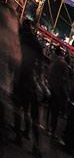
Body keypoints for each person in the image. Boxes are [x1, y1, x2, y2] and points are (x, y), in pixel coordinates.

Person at [12, 18, 44, 157]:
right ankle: (36, 146)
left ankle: (19, 136)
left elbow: (15, 57)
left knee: (18, 108)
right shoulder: (37, 43)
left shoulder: (20, 38)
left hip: (21, 78)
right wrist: (37, 78)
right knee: (33, 114)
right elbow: (41, 64)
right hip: (32, 81)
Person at [47, 48, 71, 136]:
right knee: (55, 112)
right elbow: (65, 80)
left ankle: (47, 127)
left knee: (50, 109)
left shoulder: (54, 61)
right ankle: (52, 130)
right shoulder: (63, 64)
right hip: (59, 90)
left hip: (52, 87)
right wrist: (66, 93)